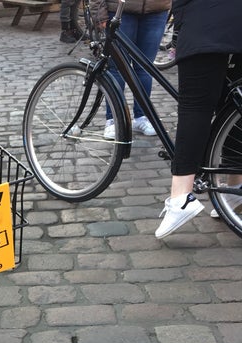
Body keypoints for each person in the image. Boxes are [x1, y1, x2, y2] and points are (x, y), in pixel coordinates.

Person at [155, 0, 242, 238]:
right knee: (233, 108)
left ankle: (181, 196)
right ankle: (234, 190)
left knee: (195, 106)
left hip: (207, 19)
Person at [91, 0, 170, 140]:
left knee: (145, 67)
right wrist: (99, 12)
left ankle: (142, 117)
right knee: (116, 67)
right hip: (121, 10)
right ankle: (114, 119)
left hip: (156, 10)